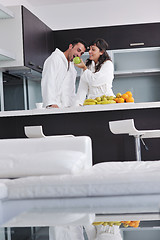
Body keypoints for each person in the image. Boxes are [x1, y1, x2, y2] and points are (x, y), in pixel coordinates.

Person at [41, 39, 87, 108]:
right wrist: (51, 103)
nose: (79, 55)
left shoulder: (72, 68)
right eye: (78, 50)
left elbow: (71, 91)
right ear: (70, 46)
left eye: (81, 53)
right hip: (54, 107)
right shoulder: (54, 59)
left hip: (67, 108)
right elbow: (48, 81)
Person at [74, 38, 115, 106]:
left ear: (101, 52)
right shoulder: (87, 65)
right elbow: (83, 86)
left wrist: (84, 68)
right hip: (91, 102)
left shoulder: (108, 64)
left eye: (93, 49)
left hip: (107, 101)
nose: (89, 51)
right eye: (89, 49)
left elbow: (95, 81)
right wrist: (78, 104)